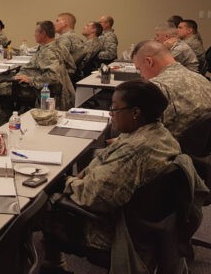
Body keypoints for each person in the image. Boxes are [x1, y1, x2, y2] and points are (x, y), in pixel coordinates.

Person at [38, 79, 191, 274]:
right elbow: (108, 161)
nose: (110, 113)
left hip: (113, 231)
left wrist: (67, 182)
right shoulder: (159, 134)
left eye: (115, 108)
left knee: (38, 203)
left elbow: (93, 198)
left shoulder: (133, 151)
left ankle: (52, 265)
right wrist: (85, 173)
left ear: (135, 112)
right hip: (144, 222)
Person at [0, 21, 74, 126]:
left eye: (36, 32)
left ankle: (1, 123)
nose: (34, 34)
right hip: (49, 88)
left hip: (35, 88)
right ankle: (9, 117)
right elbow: (71, 66)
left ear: (43, 34)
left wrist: (31, 80)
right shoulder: (56, 46)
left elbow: (53, 77)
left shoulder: (48, 52)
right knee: (3, 88)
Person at [132, 40, 211, 140]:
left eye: (139, 69)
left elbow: (142, 133)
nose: (142, 75)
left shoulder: (156, 87)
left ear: (149, 61)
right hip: (202, 147)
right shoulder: (200, 78)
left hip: (172, 146)